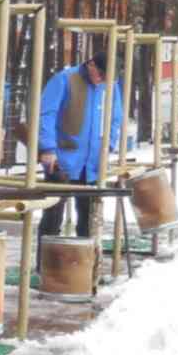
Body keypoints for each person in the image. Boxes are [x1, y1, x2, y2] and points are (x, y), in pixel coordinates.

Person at [37, 50, 123, 244]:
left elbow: (115, 117)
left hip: (91, 163)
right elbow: (46, 114)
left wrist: (108, 145)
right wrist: (48, 149)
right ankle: (47, 267)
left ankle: (83, 267)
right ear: (91, 64)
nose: (101, 81)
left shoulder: (110, 84)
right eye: (100, 75)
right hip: (62, 160)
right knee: (53, 216)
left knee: (88, 219)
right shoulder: (64, 79)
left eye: (107, 78)